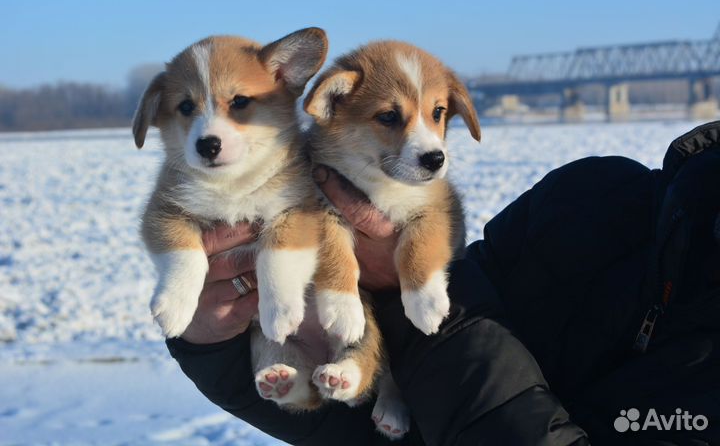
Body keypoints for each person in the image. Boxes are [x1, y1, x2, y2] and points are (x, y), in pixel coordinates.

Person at [167, 121, 720, 446]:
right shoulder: (596, 196)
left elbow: (436, 332)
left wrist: (426, 304)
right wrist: (223, 343)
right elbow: (396, 429)